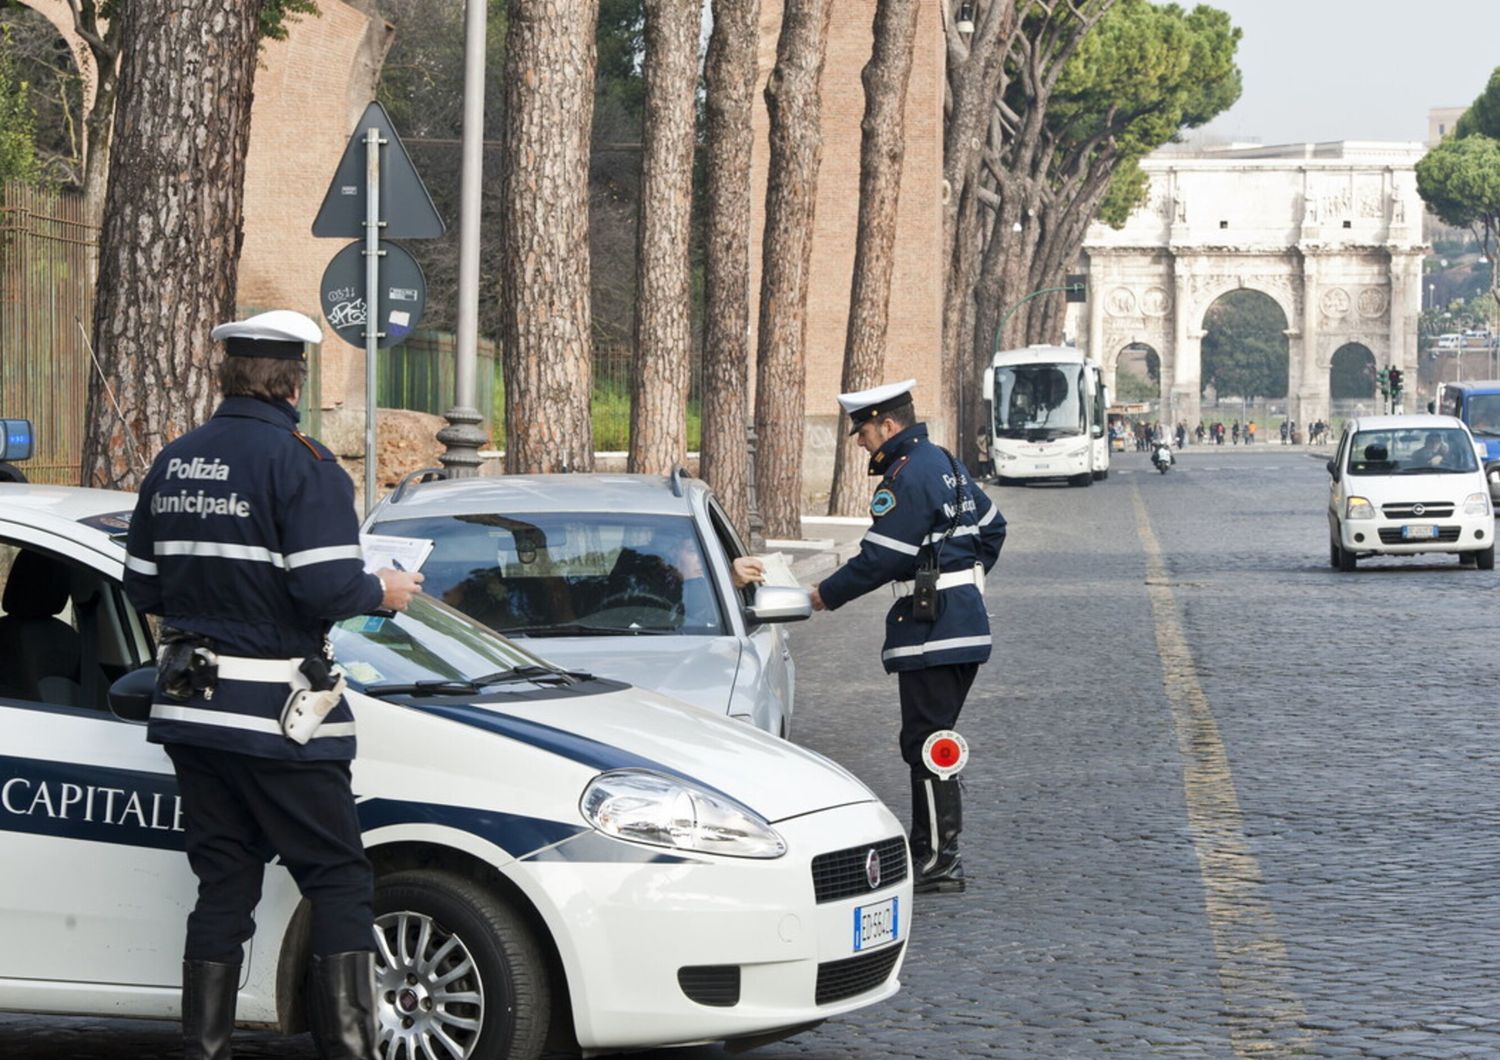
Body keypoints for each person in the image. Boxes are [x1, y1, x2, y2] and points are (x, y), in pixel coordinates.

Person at [123, 310, 424, 1060]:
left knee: (225, 881)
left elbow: (141, 587)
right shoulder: (305, 463)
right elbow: (325, 587)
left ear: (229, 374)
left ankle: (204, 1049)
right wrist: (381, 589)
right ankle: (353, 1050)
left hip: (192, 711)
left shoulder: (176, 460)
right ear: (294, 381)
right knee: (338, 878)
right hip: (282, 717)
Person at [808, 380, 1006, 895]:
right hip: (959, 622)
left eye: (864, 430)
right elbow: (993, 527)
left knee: (929, 745)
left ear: (889, 425)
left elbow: (882, 558)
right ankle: (931, 850)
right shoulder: (944, 461)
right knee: (929, 741)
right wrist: (962, 579)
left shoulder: (908, 474)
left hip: (933, 631)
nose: (859, 441)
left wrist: (823, 595)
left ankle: (941, 861)